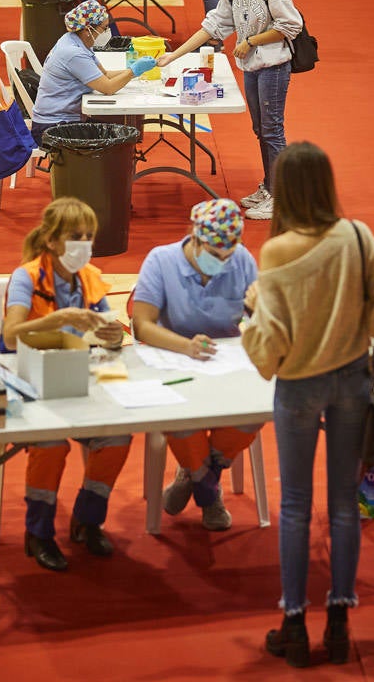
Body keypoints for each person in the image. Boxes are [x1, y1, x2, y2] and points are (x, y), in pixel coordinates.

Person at [241, 142, 374, 668]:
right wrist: (373, 363)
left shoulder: (275, 252)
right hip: (352, 379)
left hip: (297, 386)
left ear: (284, 189)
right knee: (343, 505)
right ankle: (339, 620)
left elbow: (268, 349)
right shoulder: (357, 237)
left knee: (294, 504)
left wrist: (251, 313)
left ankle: (294, 623)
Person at [1, 197, 130, 571]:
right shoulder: (26, 276)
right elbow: (10, 336)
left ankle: (88, 520)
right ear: (52, 240)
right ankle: (38, 533)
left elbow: (106, 333)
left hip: (77, 381)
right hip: (29, 383)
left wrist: (112, 335)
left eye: (89, 237)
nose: (84, 245)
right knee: (51, 444)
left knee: (117, 437)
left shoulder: (89, 276)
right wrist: (56, 319)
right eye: (76, 237)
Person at [132, 199, 259, 531]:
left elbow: (259, 322)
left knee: (256, 411)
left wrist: (261, 311)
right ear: (195, 237)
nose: (223, 262)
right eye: (216, 255)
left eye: (228, 255)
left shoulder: (242, 260)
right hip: (174, 364)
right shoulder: (161, 261)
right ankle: (208, 493)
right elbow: (142, 325)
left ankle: (196, 476)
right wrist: (185, 346)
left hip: (227, 367)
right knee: (180, 418)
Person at [157, 0, 302, 220]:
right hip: (252, 67)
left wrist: (251, 41)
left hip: (274, 67)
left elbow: (291, 25)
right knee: (261, 130)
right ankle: (270, 186)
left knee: (272, 130)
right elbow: (210, 26)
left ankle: (281, 197)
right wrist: (173, 55)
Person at [30, 0, 156, 147]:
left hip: (65, 119)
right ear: (88, 29)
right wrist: (134, 71)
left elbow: (105, 75)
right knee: (120, 141)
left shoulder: (77, 41)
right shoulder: (73, 53)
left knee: (120, 132)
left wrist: (136, 70)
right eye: (104, 28)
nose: (107, 32)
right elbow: (108, 88)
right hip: (53, 128)